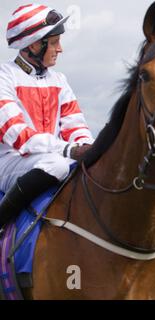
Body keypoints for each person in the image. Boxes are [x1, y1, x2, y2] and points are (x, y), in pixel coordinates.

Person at [0, 4, 94, 232]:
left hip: (49, 160)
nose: (59, 49)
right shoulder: (4, 77)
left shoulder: (59, 80)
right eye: (54, 42)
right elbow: (20, 136)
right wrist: (69, 150)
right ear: (34, 44)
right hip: (12, 161)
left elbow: (75, 125)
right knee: (59, 163)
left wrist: (88, 147)